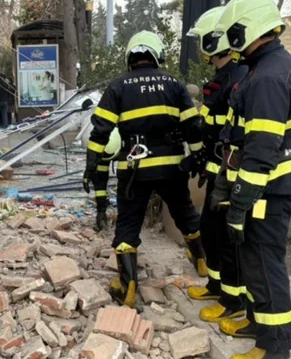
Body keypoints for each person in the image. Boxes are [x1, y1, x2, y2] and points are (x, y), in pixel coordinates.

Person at [210, 0, 291, 359]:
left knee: (265, 265)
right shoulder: (274, 66)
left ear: (246, 29)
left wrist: (239, 205)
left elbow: (262, 151)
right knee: (253, 260)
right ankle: (258, 322)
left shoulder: (268, 77)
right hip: (270, 186)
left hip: (269, 188)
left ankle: (275, 347)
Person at [83, 31, 206, 311]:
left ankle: (127, 288)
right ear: (156, 55)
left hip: (134, 168)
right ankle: (200, 260)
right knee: (185, 213)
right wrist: (198, 157)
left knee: (128, 224)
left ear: (130, 57)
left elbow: (100, 130)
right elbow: (192, 125)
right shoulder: (173, 84)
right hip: (171, 165)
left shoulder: (118, 86)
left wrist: (91, 165)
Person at [183, 6, 250, 326]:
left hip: (231, 173)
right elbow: (210, 127)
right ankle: (215, 285)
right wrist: (199, 158)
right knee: (210, 231)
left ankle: (232, 300)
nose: (199, 48)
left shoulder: (236, 79)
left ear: (215, 41)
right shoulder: (224, 77)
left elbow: (226, 132)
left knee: (224, 237)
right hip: (218, 168)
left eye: (202, 41)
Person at [84, 128, 121, 232]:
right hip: (104, 153)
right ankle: (102, 215)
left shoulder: (128, 146)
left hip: (127, 157)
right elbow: (100, 182)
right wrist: (101, 210)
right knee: (99, 178)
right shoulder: (100, 146)